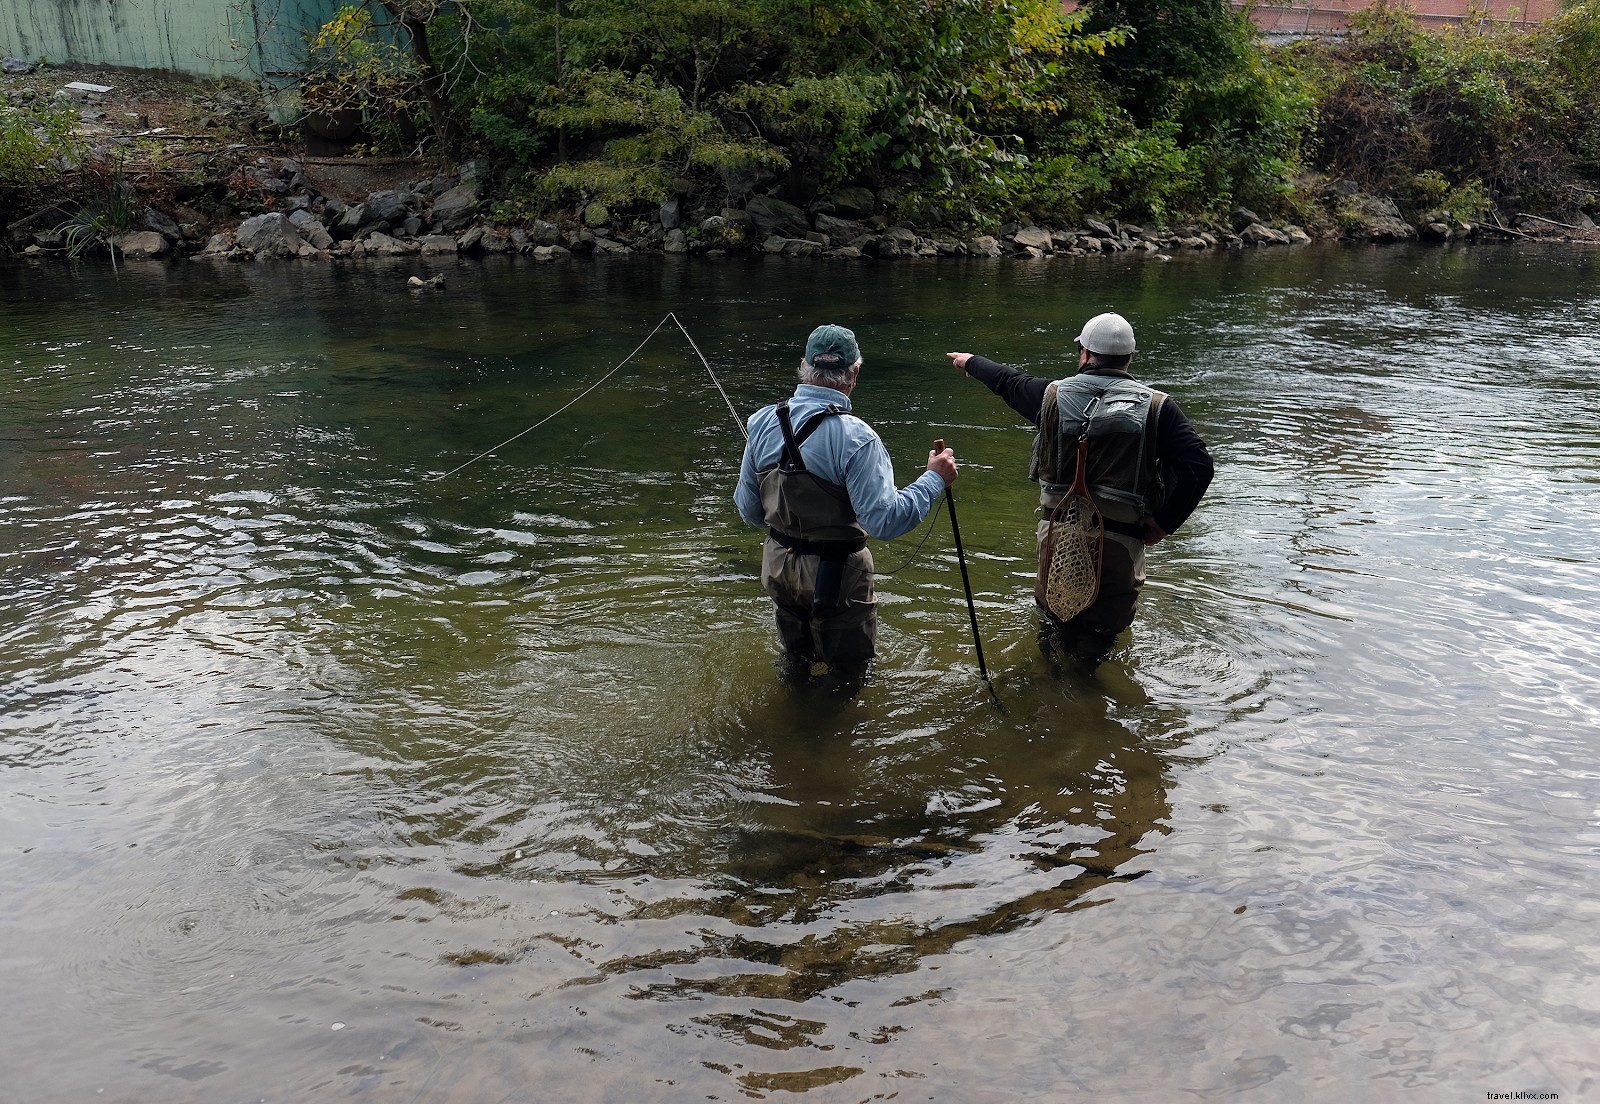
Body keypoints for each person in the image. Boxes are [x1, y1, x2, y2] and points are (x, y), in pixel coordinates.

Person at [948, 311, 1212, 666]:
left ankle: (1052, 696)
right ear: (1130, 357)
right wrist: (1164, 523)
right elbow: (1199, 466)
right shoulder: (1158, 408)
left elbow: (1008, 382)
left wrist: (970, 362)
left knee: (1053, 626)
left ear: (1085, 354)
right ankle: (1088, 704)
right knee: (1098, 644)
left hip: (1058, 539)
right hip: (1120, 543)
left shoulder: (1051, 397)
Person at [736, 323, 958, 675]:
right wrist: (934, 479)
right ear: (854, 373)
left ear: (803, 366)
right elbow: (885, 522)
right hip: (836, 577)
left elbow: (749, 512)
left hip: (778, 568)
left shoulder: (761, 422)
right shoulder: (858, 438)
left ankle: (789, 725)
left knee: (795, 667)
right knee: (848, 680)